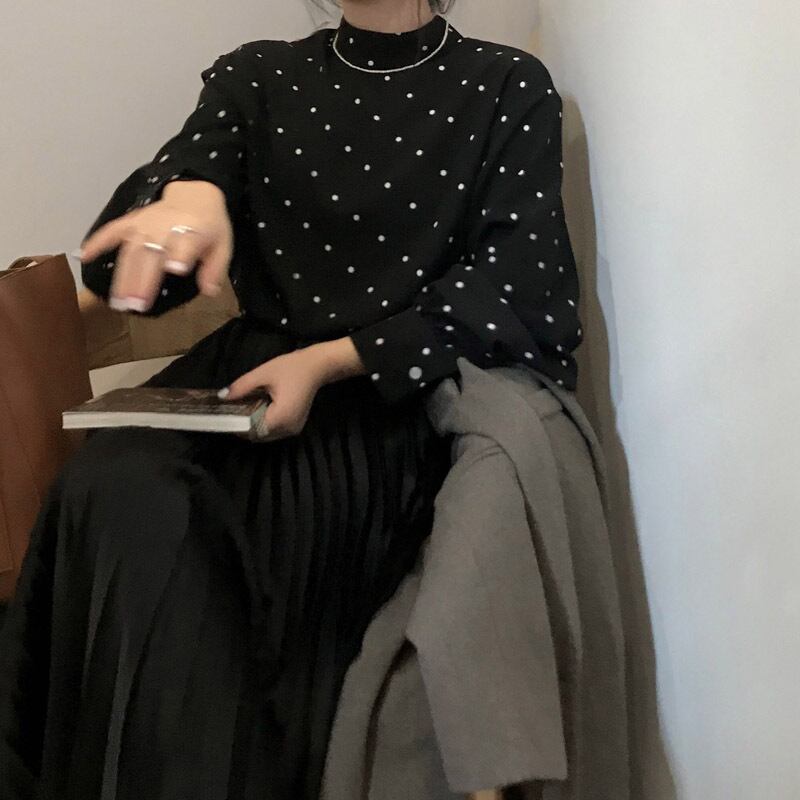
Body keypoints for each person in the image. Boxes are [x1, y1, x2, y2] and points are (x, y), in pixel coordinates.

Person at [0, 0, 583, 797]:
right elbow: (129, 268)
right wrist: (187, 196)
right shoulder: (257, 75)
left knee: (273, 568)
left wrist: (331, 362)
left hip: (378, 398)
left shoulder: (507, 83)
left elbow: (520, 293)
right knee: (115, 487)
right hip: (238, 383)